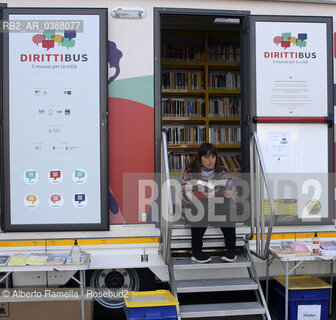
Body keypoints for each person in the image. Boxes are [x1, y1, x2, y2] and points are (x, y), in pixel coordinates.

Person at [181, 142, 237, 263]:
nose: (210, 160)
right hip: (197, 211)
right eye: (206, 157)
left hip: (216, 210)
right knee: (200, 206)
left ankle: (231, 250)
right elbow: (184, 194)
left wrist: (230, 194)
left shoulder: (223, 172)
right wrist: (202, 195)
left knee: (226, 205)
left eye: (213, 156)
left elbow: (234, 192)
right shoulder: (191, 172)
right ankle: (196, 252)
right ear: (200, 158)